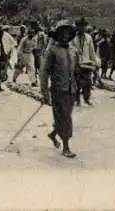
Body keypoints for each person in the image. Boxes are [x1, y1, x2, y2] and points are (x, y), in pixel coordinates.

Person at [40, 20, 78, 158]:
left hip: (71, 89)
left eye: (67, 33)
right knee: (65, 118)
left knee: (64, 116)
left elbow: (75, 70)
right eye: (62, 33)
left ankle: (53, 134)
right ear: (57, 35)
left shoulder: (73, 51)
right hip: (58, 90)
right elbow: (44, 72)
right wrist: (44, 92)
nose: (65, 36)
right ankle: (66, 147)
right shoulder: (51, 51)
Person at [71, 18, 97, 106]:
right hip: (76, 63)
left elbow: (92, 51)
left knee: (88, 82)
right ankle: (77, 100)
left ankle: (87, 99)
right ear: (77, 27)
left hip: (86, 63)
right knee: (77, 82)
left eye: (84, 26)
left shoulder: (89, 37)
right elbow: (70, 50)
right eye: (81, 26)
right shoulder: (72, 38)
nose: (83, 28)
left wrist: (94, 63)